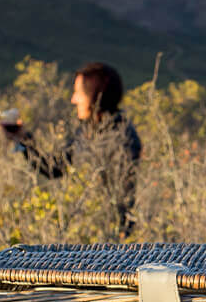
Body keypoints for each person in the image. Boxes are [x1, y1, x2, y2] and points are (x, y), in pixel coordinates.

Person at [11, 62, 143, 234]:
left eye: (78, 93)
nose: (73, 100)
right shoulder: (87, 130)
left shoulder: (121, 139)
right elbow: (55, 168)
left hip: (105, 239)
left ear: (96, 96)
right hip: (82, 231)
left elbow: (122, 200)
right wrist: (25, 141)